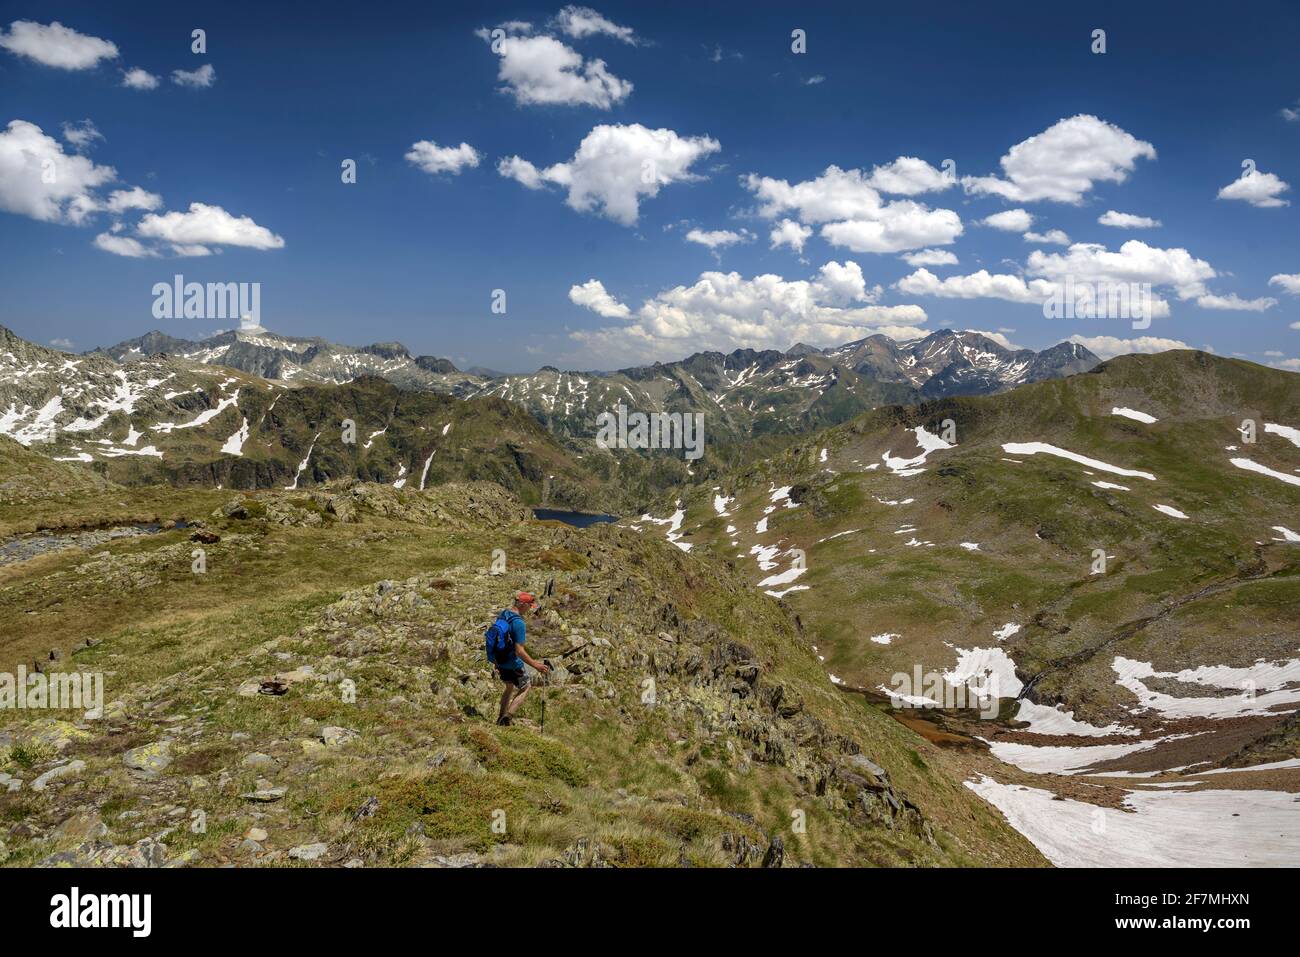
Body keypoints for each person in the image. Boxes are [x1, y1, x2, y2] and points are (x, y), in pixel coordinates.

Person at [489, 591, 549, 726]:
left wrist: (496, 660)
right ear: (522, 604)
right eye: (529, 605)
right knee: (526, 686)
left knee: (509, 687)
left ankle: (500, 717)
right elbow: (519, 651)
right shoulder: (519, 623)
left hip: (500, 660)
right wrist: (536, 665)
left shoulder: (503, 614)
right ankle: (507, 717)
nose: (529, 609)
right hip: (512, 663)